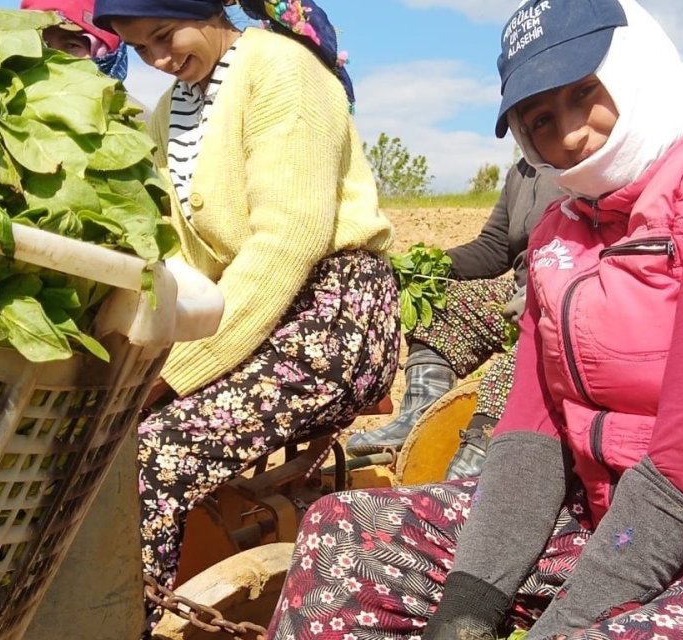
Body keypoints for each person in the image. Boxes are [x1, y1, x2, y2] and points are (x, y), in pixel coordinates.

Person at [265, 0, 683, 638]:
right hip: (626, 526)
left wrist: (566, 624)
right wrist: (467, 606)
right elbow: (530, 432)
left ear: (635, 67)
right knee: (347, 537)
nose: (570, 132)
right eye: (539, 121)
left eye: (583, 93)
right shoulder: (563, 229)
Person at [89, 0, 398, 626]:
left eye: (164, 34)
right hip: (252, 317)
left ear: (204, 9)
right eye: (140, 48)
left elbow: (288, 240)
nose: (159, 59)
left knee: (157, 454)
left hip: (333, 320)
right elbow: (177, 257)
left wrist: (178, 372)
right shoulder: (170, 112)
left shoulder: (283, 70)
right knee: (103, 441)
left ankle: (123, 624)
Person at [345, 160, 562, 480]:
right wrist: (427, 267)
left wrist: (540, 295)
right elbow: (493, 248)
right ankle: (418, 419)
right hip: (520, 288)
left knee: (510, 368)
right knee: (441, 307)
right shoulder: (522, 172)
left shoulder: (582, 165)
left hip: (564, 296)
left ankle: (477, 464)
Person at [20, 0, 130, 80]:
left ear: (106, 58)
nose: (49, 59)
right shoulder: (7, 106)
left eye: (71, 46)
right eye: (39, 45)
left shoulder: (134, 112)